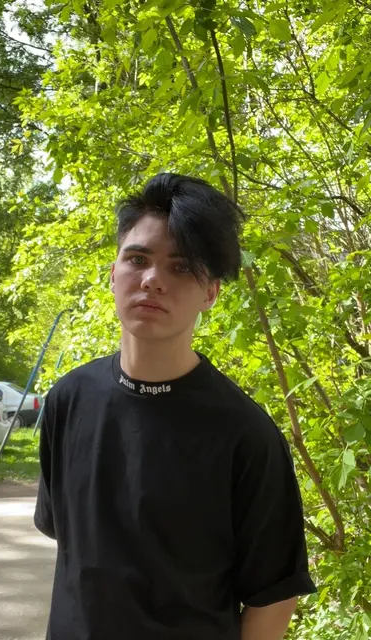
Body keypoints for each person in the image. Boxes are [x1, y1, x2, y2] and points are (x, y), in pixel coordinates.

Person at [34, 173, 316, 640]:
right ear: (113, 274)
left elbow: (273, 595)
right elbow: (74, 551)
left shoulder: (246, 435)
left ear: (210, 293)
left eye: (181, 267)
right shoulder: (68, 399)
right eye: (138, 259)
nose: (152, 280)